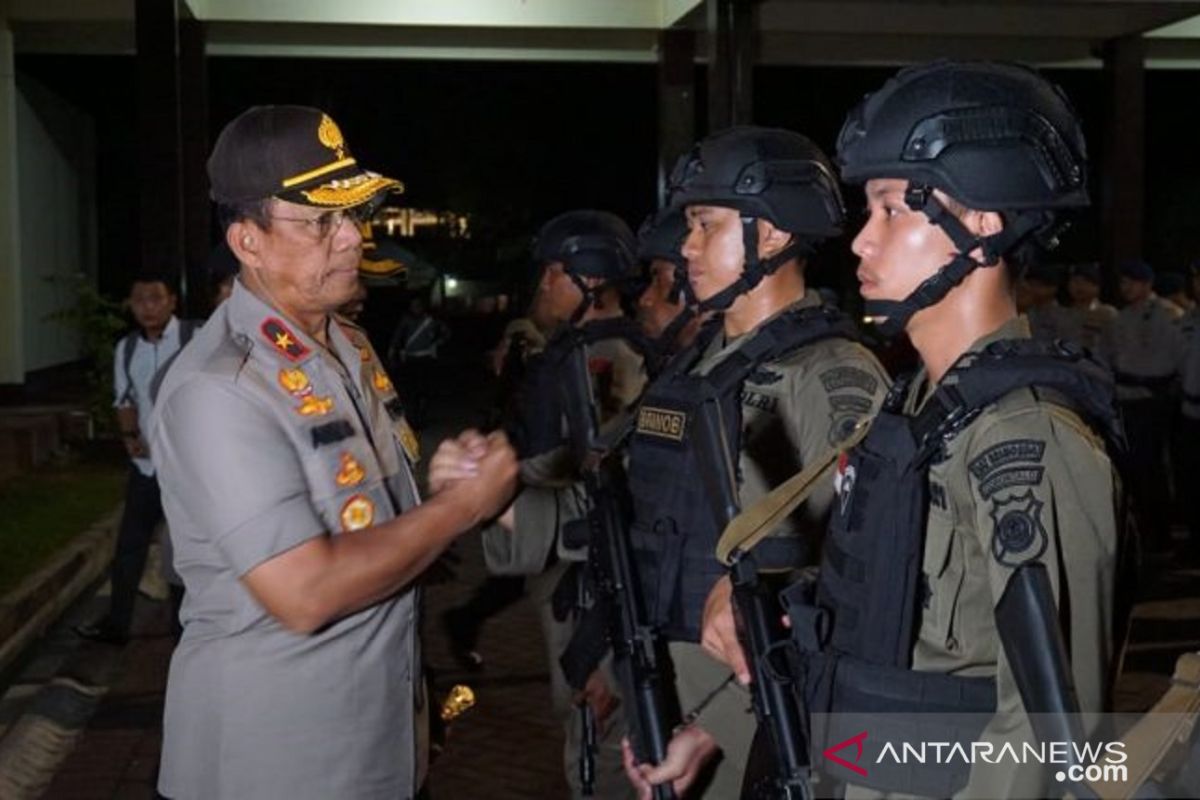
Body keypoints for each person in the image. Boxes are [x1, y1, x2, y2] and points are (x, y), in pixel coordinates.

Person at [696, 61, 1125, 800]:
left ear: (984, 221)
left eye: (893, 210)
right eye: (869, 212)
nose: (861, 242)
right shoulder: (909, 414)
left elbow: (1053, 742)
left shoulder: (1025, 440)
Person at [148, 105, 517, 800]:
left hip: (371, 743)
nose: (351, 237)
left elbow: (365, 514)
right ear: (246, 241)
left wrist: (426, 491)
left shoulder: (343, 344)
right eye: (321, 221)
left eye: (352, 213)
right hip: (273, 762)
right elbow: (305, 591)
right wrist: (456, 508)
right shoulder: (218, 389)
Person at [622, 126, 888, 798]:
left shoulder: (828, 373)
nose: (685, 248)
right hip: (670, 667)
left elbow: (851, 575)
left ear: (768, 235)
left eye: (704, 224)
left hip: (761, 701)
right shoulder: (694, 362)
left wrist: (718, 722)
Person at [481, 209, 651, 799]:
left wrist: (605, 657)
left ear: (587, 280)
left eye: (553, 274)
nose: (542, 288)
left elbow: (621, 498)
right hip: (567, 572)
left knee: (600, 751)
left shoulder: (611, 361)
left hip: (597, 590)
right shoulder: (573, 351)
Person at [75, 275, 197, 646]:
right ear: (130, 305)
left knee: (186, 548)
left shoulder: (196, 338)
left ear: (172, 301)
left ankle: (186, 629)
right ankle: (116, 625)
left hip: (188, 469)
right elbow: (124, 399)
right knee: (130, 545)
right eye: (140, 300)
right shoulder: (127, 349)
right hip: (147, 469)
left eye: (156, 298)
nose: (148, 307)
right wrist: (130, 437)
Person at [1104, 259, 1184, 551]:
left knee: (1153, 469)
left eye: (1131, 282)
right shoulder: (1122, 316)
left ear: (1147, 284)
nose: (1125, 287)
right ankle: (1145, 530)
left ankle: (1160, 532)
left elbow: (1175, 360)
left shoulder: (1169, 314)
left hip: (1154, 400)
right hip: (1127, 399)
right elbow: (1111, 356)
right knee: (1134, 467)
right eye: (1123, 282)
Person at [387, 296, 450, 428]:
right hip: (410, 359)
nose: (416, 308)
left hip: (425, 359)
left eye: (418, 305)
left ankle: (421, 417)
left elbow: (446, 333)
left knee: (424, 389)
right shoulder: (406, 320)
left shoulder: (431, 321)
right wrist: (392, 351)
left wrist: (436, 344)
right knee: (411, 390)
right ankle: (413, 417)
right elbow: (397, 336)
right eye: (413, 305)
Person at [1063, 262, 1117, 352]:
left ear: (1097, 287)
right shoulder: (1064, 314)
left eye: (1086, 282)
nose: (1079, 287)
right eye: (1075, 282)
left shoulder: (1107, 313)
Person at [1017, 263, 1072, 343]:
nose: (1028, 288)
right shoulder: (1024, 310)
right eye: (1031, 283)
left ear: (1053, 288)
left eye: (1037, 285)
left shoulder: (1064, 317)